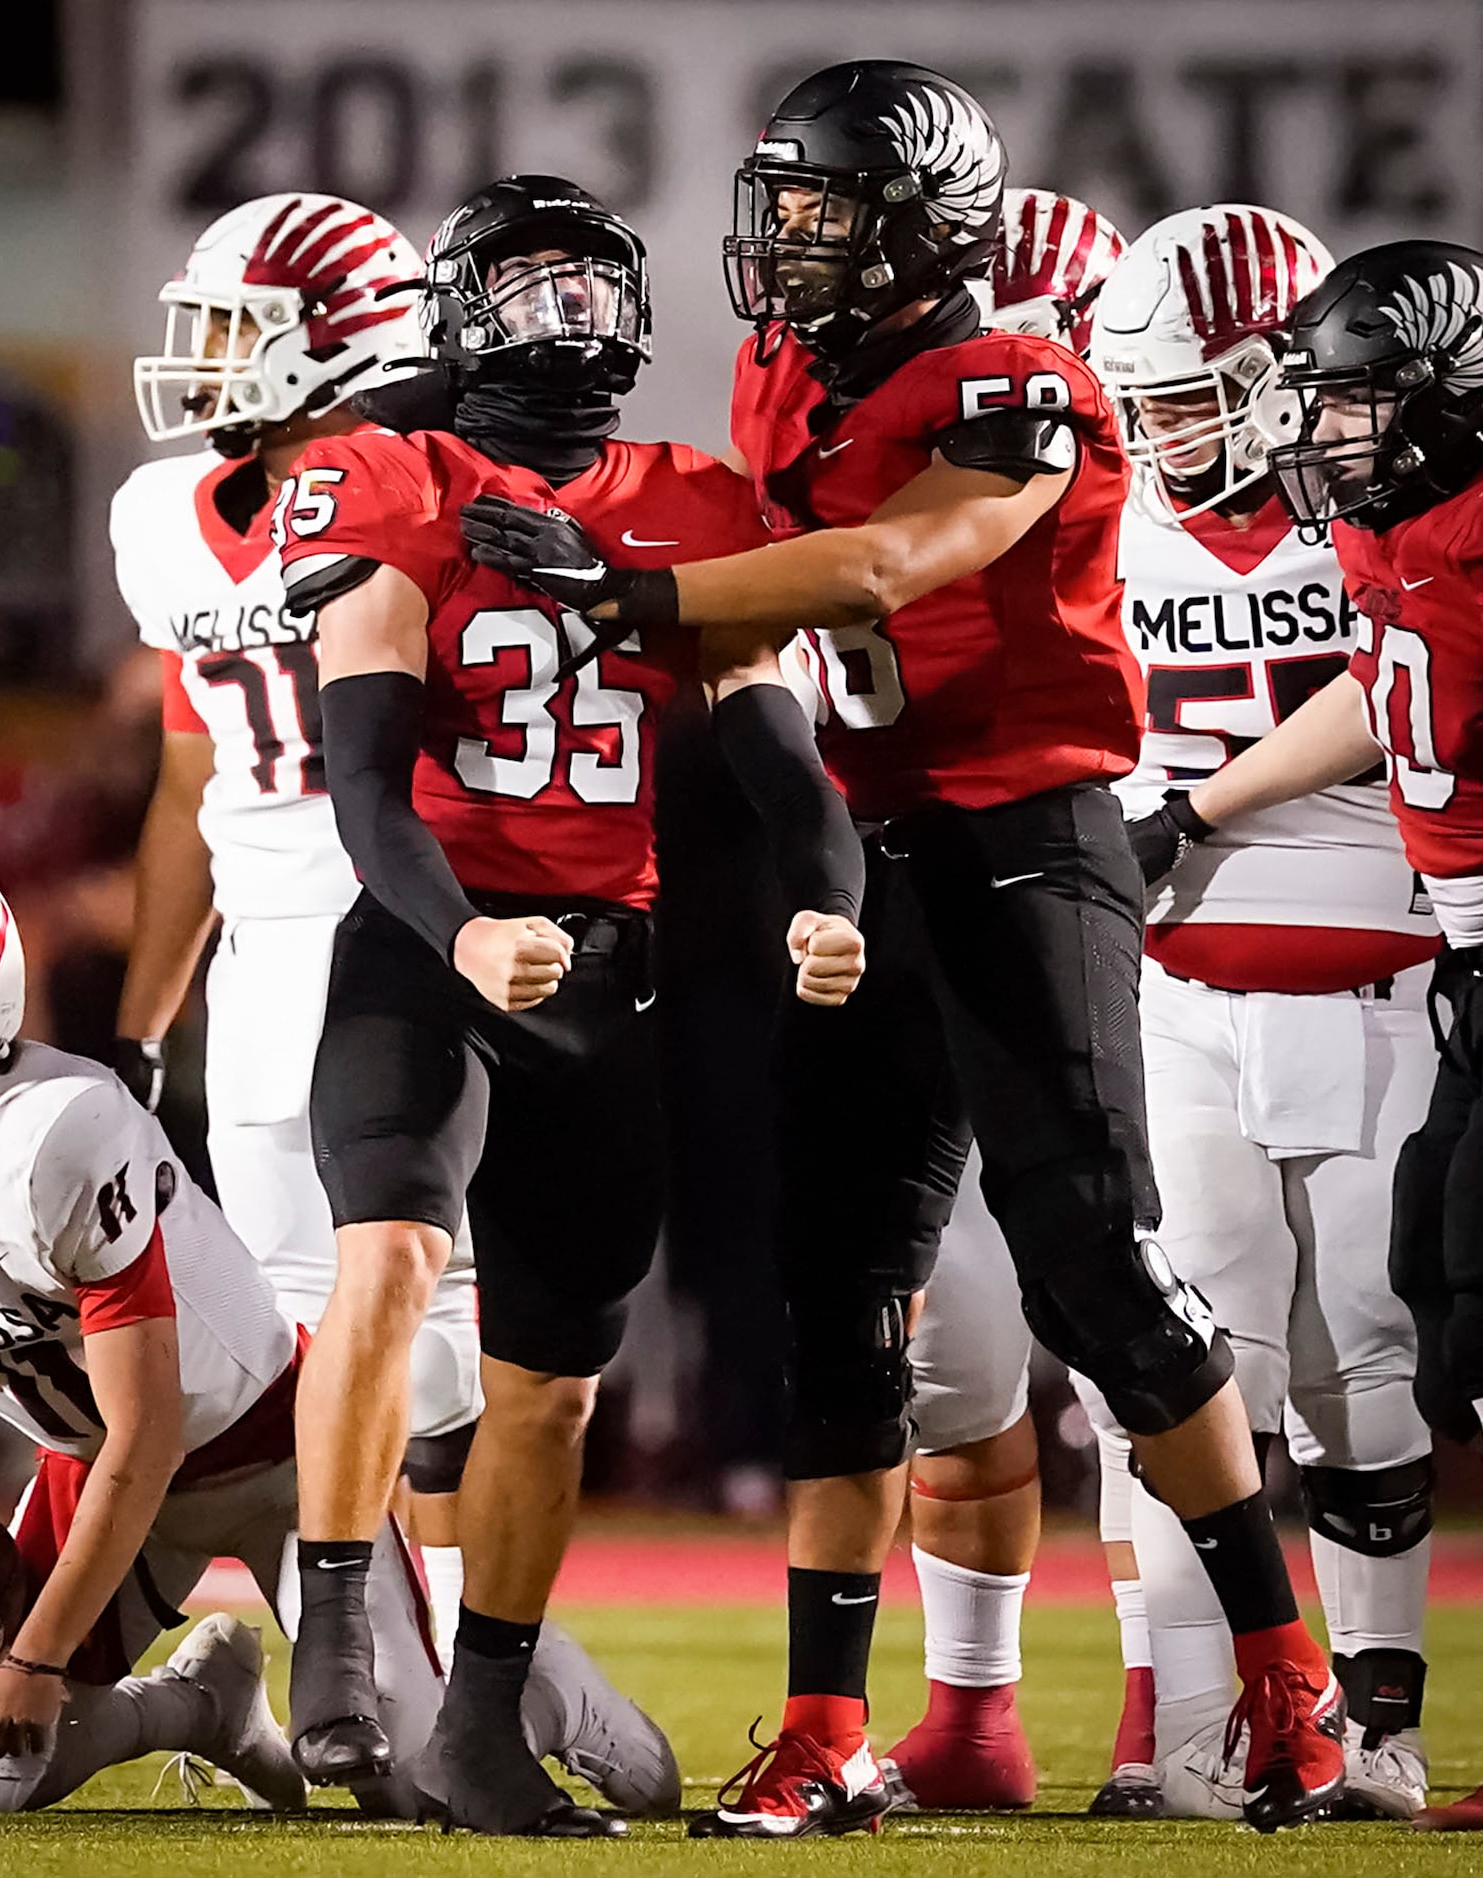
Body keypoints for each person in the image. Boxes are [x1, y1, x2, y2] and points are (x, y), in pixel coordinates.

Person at [464, 64, 1348, 1837]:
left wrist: (617, 590)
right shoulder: (787, 364)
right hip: (855, 857)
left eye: (816, 208)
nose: (780, 238)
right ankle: (821, 1727)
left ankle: (1283, 1671)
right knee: (832, 1301)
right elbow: (777, 592)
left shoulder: (1022, 377)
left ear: (918, 224)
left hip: (1024, 843)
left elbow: (880, 564)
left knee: (1090, 1262)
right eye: (778, 202)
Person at [275, 174, 865, 1836]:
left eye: (593, 285)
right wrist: (461, 938)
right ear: (460, 313)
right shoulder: (391, 472)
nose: (570, 318)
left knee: (552, 1378)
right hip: (423, 941)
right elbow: (366, 785)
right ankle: (333, 1638)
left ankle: (472, 1726)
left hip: (606, 964)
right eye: (531, 287)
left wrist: (828, 885)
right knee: (383, 1254)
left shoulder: (691, 493)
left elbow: (768, 729)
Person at [0, 844, 672, 1818]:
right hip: (100, 1470)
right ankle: (204, 1710)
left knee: (409, 1782)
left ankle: (549, 1687)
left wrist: (36, 1653)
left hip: (279, 1456)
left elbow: (149, 1433)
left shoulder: (56, 1134)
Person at [1138, 237, 1483, 1835]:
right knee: (1197, 1355)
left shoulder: (1411, 523)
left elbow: (1392, 694)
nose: (1168, 433)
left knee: (1373, 1351)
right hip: (1188, 976)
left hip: (1392, 969)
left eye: (1200, 395)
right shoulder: (1105, 508)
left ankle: (1383, 1721)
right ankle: (1215, 1725)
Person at [112, 193, 483, 1655]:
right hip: (264, 959)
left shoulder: (433, 487)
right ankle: (387, 1670)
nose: (201, 360)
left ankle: (460, 1668)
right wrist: (144, 1022)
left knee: (441, 1345)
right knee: (296, 1356)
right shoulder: (160, 515)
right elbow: (187, 778)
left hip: (415, 932)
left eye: (234, 331)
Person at [880, 186, 1126, 1818]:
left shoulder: (1165, 499)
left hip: (1112, 937)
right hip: (935, 922)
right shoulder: (895, 459)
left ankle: (1200, 1701)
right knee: (942, 1357)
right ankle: (967, 1711)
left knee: (1145, 1347)